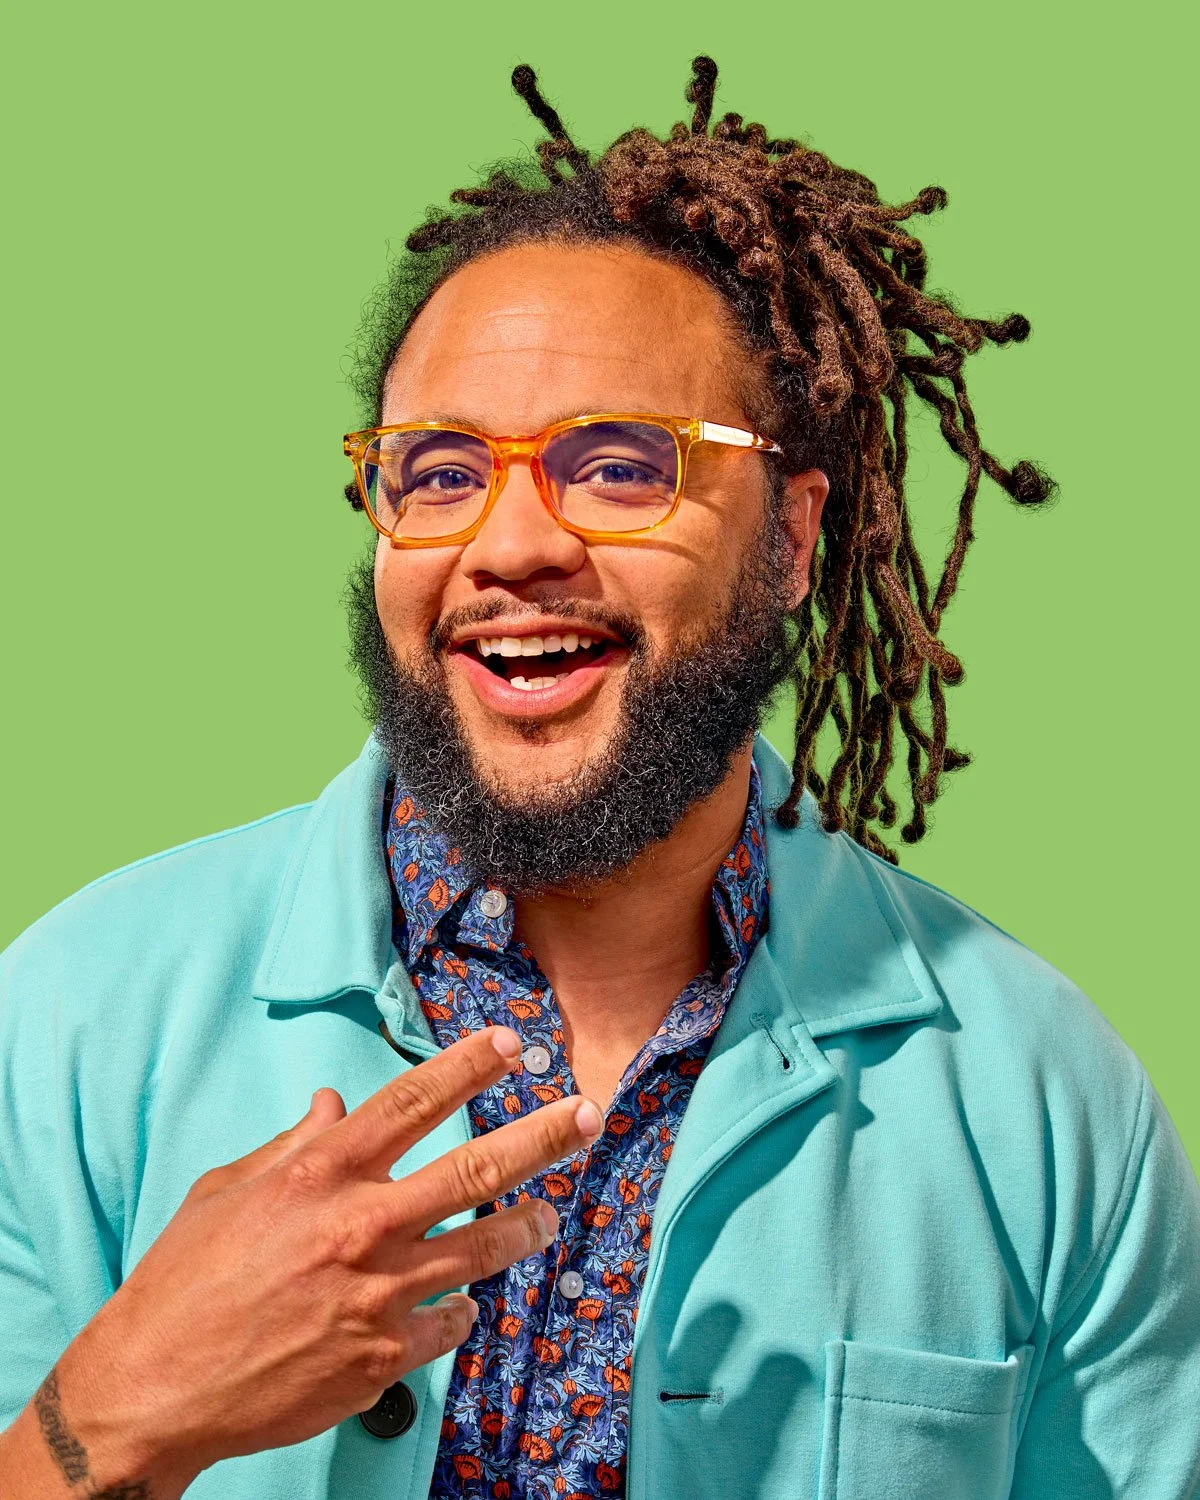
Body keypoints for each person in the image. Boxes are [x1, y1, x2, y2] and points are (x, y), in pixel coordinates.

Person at [1, 54, 1197, 1500]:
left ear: (792, 540)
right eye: (440, 473)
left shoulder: (1045, 1099)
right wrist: (118, 1417)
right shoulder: (66, 1024)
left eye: (622, 466)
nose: (509, 546)